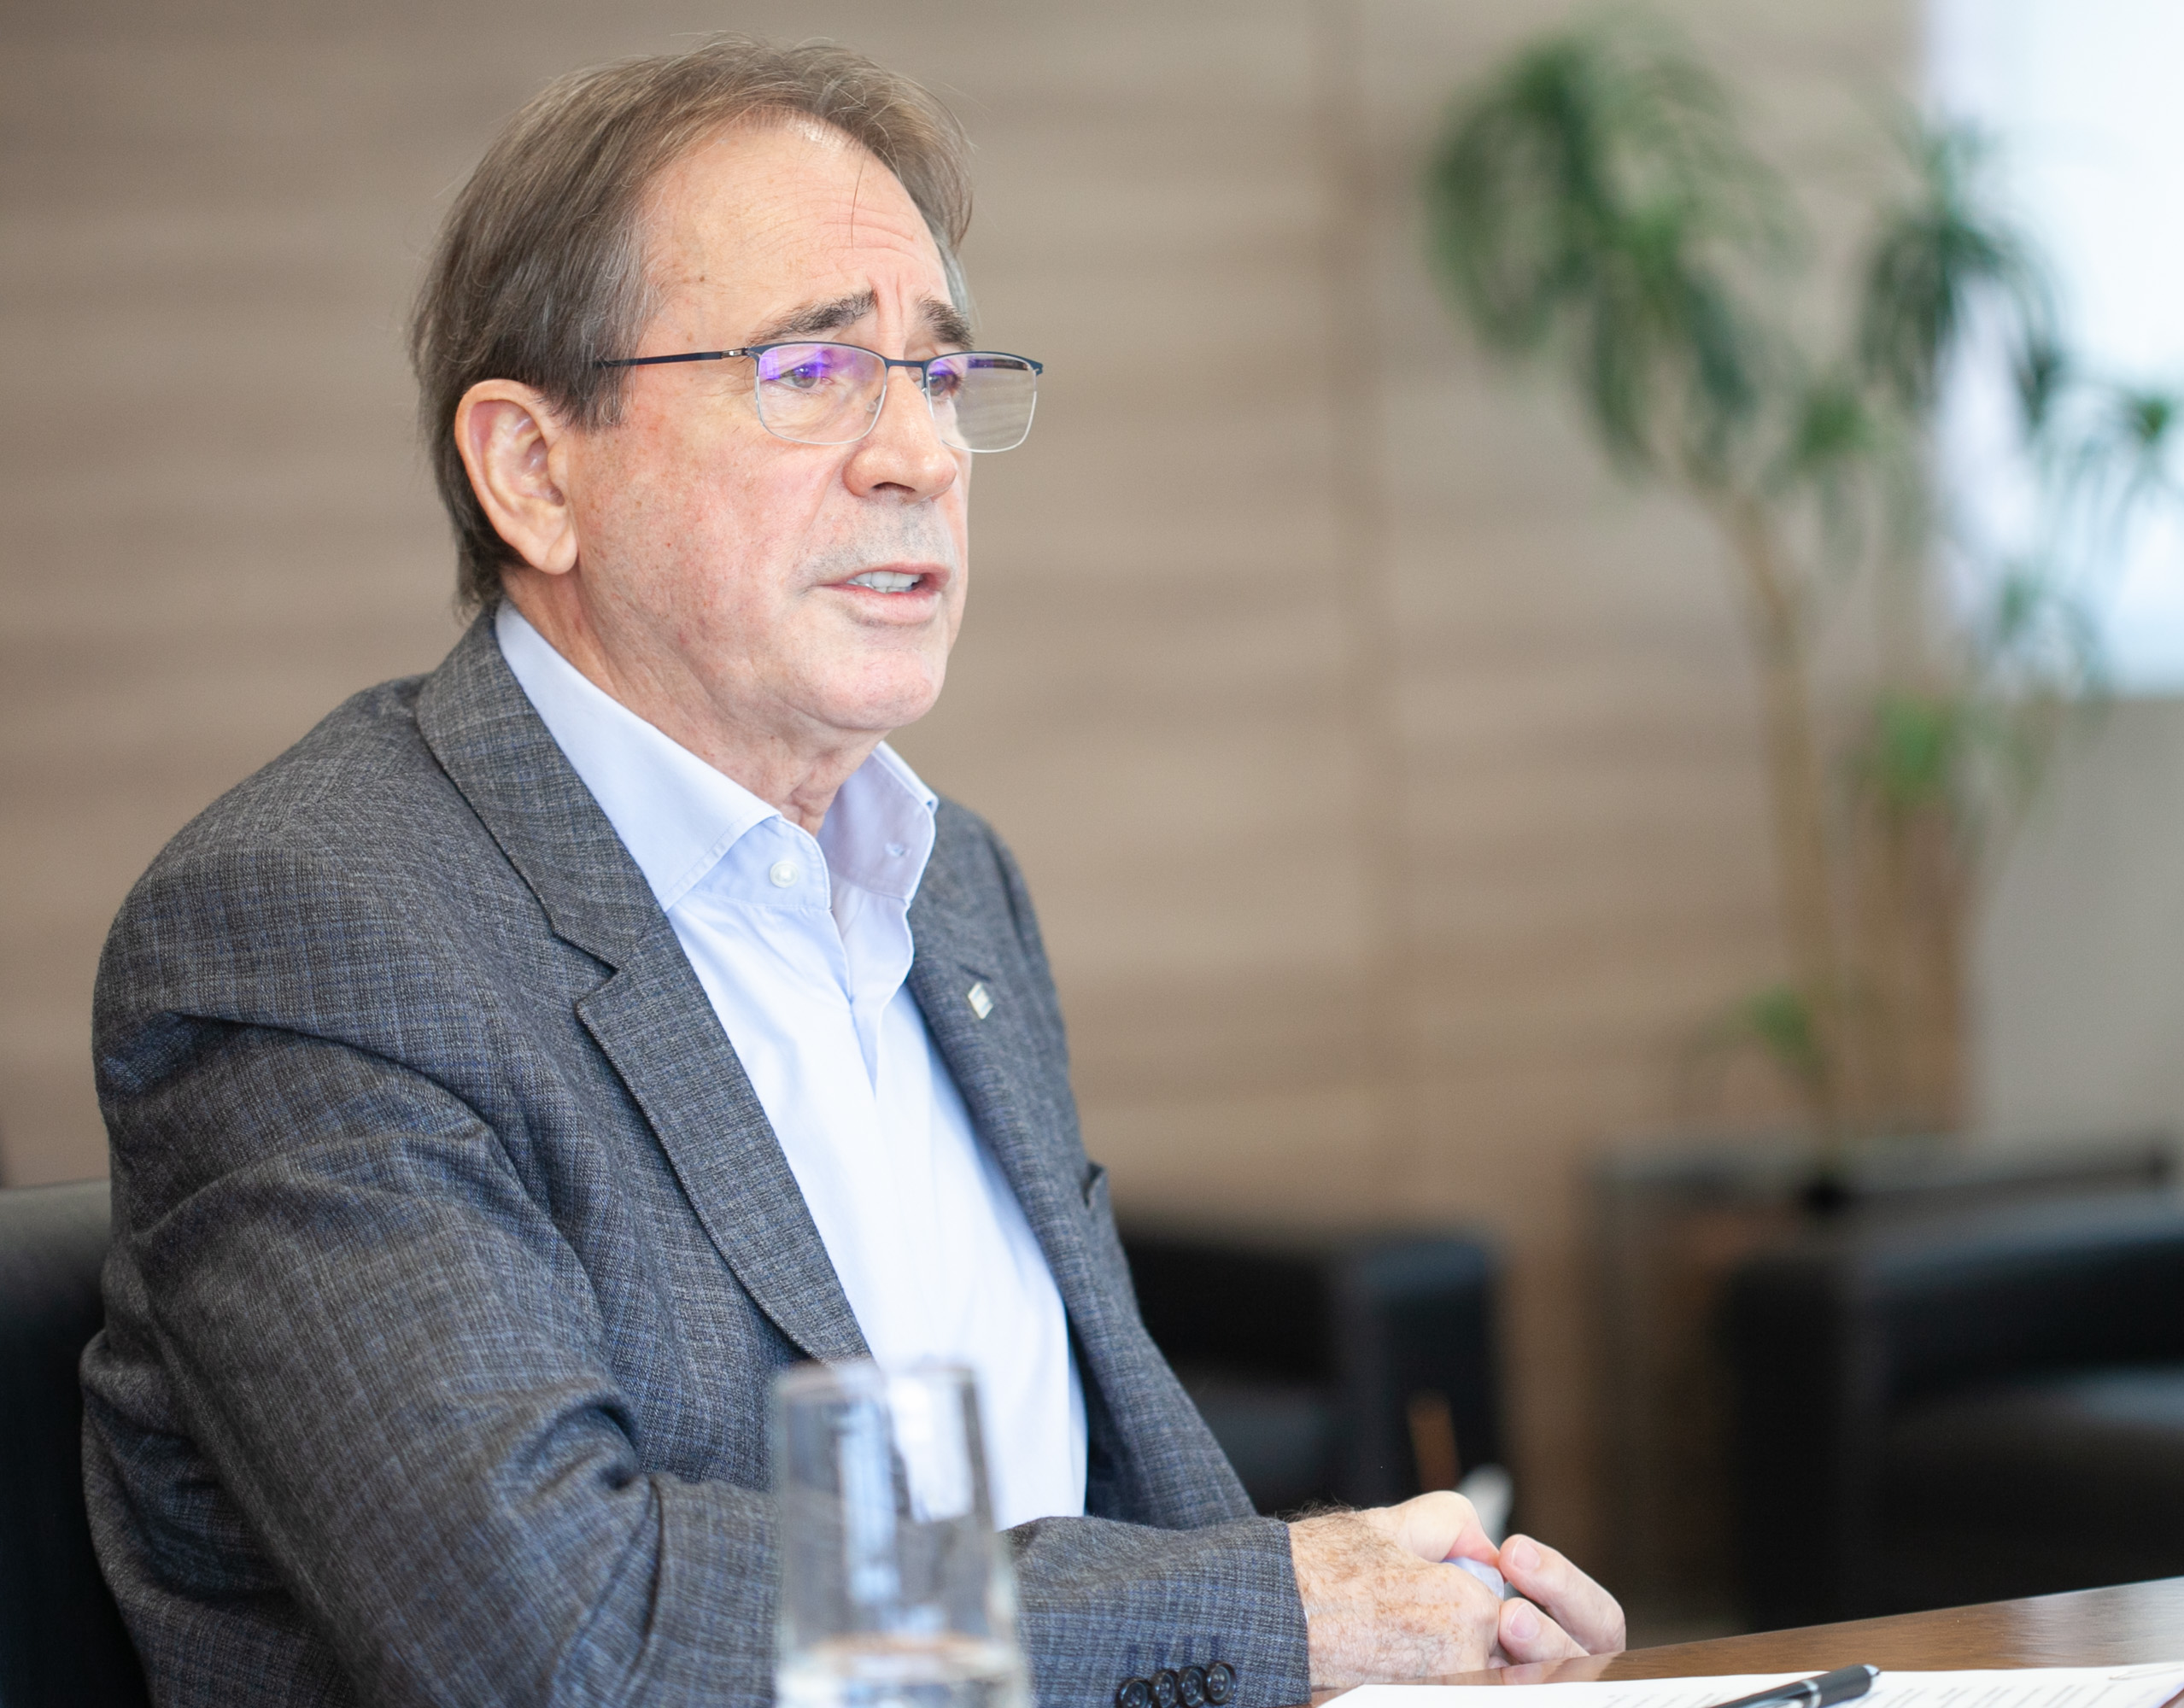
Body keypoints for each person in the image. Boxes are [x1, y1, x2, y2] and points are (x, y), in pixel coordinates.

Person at [80, 36, 1622, 1708]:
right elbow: (562, 1633)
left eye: (940, 378)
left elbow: (1117, 1525)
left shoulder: (956, 892)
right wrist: (1283, 1609)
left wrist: (1401, 1627)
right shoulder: (314, 927)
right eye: (812, 372)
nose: (921, 456)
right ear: (534, 468)